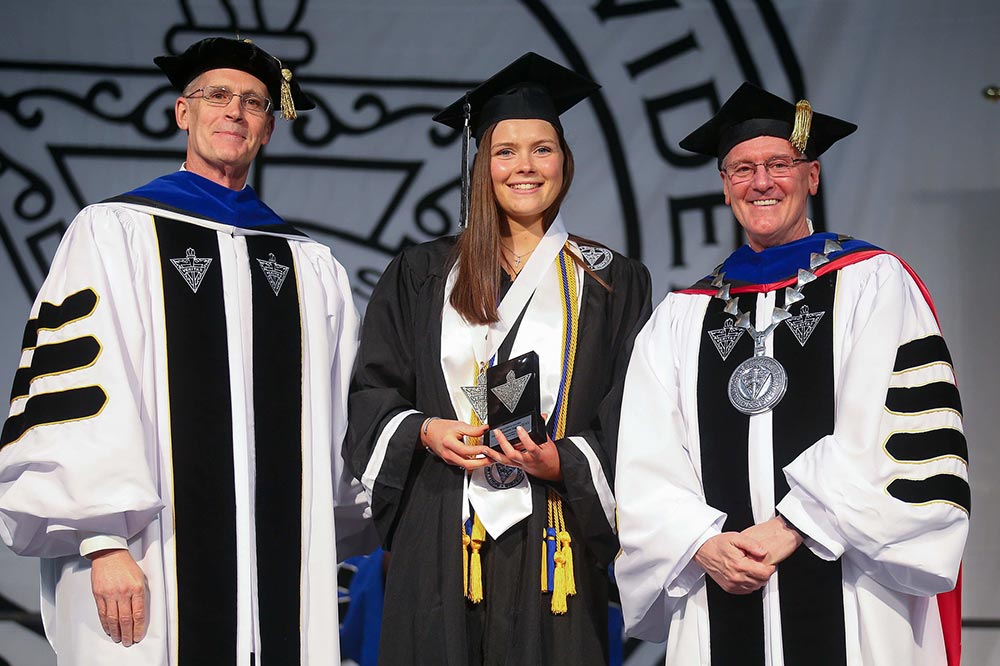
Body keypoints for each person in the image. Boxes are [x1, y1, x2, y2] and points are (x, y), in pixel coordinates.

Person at [0, 37, 373, 665]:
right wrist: (102, 542)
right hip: (143, 560)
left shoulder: (310, 267)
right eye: (218, 96)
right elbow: (80, 394)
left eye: (254, 103)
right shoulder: (113, 233)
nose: (235, 112)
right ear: (183, 112)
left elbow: (341, 416)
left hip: (275, 574)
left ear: (269, 129)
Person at [614, 82, 970, 665]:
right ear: (724, 185)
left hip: (852, 584)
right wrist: (699, 542)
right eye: (742, 168)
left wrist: (793, 526)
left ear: (812, 175)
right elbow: (646, 459)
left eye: (779, 163)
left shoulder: (872, 284)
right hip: (719, 585)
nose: (761, 182)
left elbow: (890, 431)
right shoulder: (683, 314)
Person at [345, 52, 652, 665]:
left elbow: (637, 414)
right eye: (505, 151)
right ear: (481, 165)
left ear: (565, 161)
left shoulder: (612, 281)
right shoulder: (420, 273)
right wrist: (425, 431)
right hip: (440, 524)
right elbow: (372, 393)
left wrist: (561, 459)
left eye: (542, 148)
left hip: (553, 529)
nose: (525, 167)